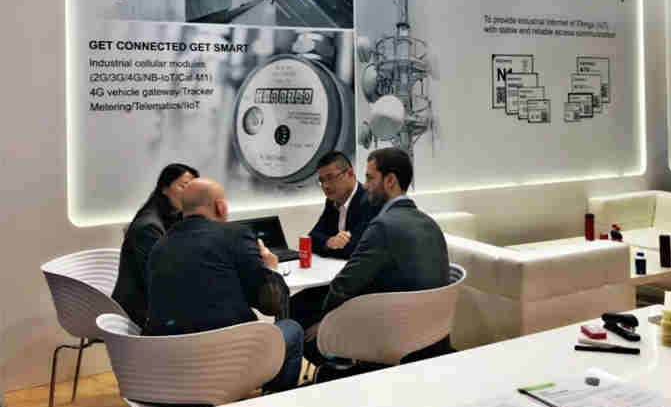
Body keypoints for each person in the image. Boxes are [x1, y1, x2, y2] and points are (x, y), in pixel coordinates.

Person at [144, 178, 302, 394]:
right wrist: (271, 269)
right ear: (220, 206)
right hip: (227, 361)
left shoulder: (159, 246)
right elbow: (272, 305)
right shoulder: (235, 234)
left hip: (170, 368)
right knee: (292, 328)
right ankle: (272, 401)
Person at [305, 147, 450, 365]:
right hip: (432, 336)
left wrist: (326, 321)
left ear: (390, 181)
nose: (365, 186)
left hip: (390, 332)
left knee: (302, 313)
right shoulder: (431, 224)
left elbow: (344, 285)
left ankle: (339, 371)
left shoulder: (383, 226)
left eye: (370, 178)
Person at [289, 151, 381, 354]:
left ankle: (331, 360)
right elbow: (312, 238)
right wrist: (329, 242)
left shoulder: (369, 202)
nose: (326, 185)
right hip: (334, 281)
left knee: (302, 316)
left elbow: (355, 250)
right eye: (321, 180)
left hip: (360, 287)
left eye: (330, 178)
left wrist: (333, 246)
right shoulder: (332, 202)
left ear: (350, 174)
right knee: (290, 306)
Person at [112, 163, 198, 327]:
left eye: (193, 189)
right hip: (141, 310)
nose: (189, 194)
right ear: (164, 188)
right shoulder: (149, 226)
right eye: (183, 186)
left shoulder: (175, 217)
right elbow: (158, 279)